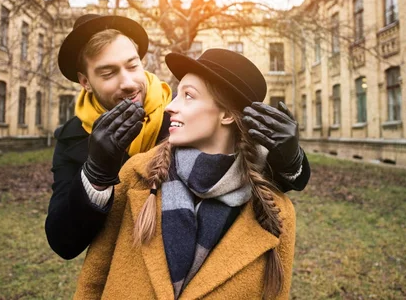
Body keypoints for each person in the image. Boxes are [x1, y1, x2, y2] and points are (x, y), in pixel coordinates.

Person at [47, 13, 311, 260]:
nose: (128, 82)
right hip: (122, 270)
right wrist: (95, 174)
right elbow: (64, 243)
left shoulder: (179, 118)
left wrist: (290, 158)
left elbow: (246, 177)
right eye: (108, 73)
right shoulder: (73, 137)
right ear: (85, 81)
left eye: (132, 65)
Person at [73, 49, 297, 300]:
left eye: (188, 96)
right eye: (177, 94)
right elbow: (93, 281)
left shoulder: (275, 211)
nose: (170, 106)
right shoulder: (136, 175)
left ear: (225, 115)